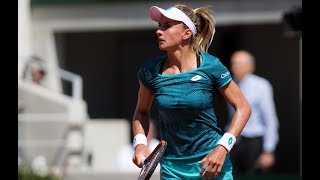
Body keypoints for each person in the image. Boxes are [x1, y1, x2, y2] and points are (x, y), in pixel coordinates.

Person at [131, 3, 251, 179]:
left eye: (167, 26)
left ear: (187, 33)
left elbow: (243, 107)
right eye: (159, 26)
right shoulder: (150, 71)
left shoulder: (211, 66)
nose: (159, 31)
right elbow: (141, 111)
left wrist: (223, 147)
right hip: (173, 167)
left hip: (211, 164)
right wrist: (140, 143)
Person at [225, 50, 280, 174]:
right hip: (233, 141)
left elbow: (270, 119)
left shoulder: (261, 85)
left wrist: (268, 151)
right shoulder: (229, 83)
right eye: (233, 63)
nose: (234, 67)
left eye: (239, 64)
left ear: (250, 67)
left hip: (253, 142)